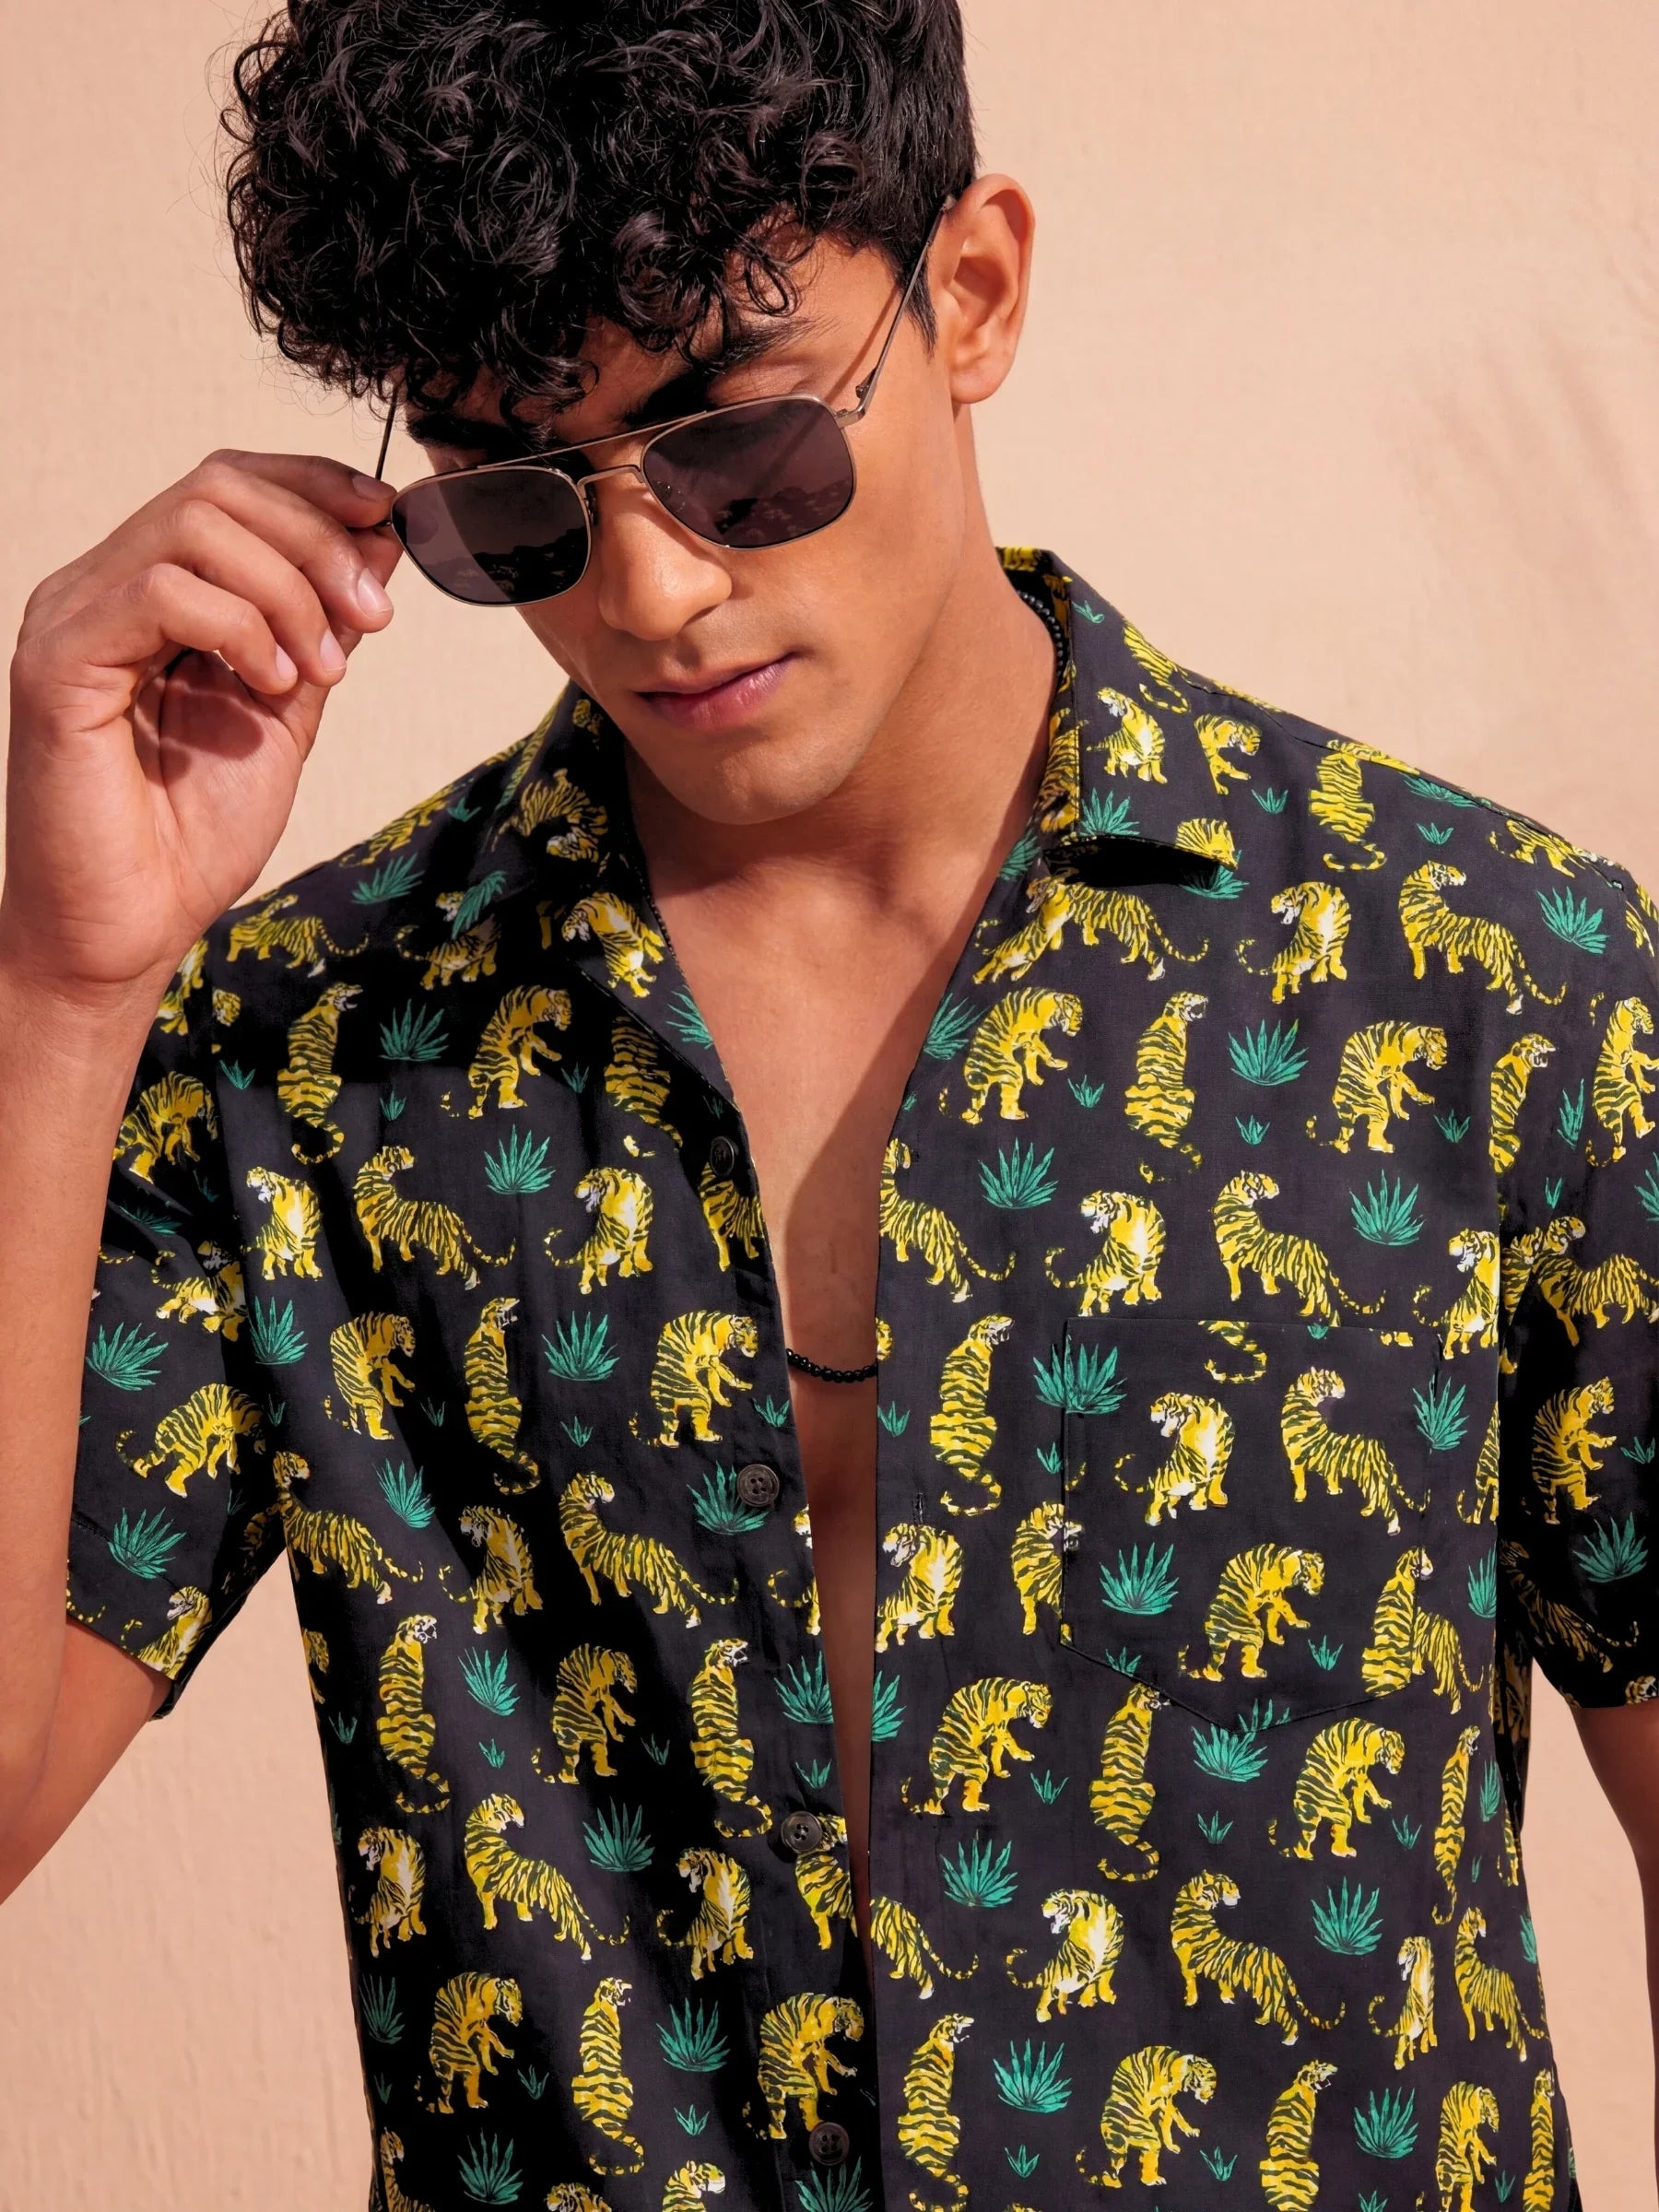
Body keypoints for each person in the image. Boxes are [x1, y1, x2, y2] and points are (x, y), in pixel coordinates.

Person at [2, 3, 1653, 2204]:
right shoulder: (310, 1052)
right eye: (519, 506)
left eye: (739, 451)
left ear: (972, 293)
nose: (652, 594)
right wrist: (63, 988)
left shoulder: (1486, 980)